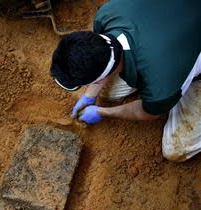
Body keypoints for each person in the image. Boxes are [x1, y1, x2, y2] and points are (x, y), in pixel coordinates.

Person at [50, 0, 201, 162]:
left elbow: (147, 113)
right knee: (109, 93)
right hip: (175, 20)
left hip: (177, 62)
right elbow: (108, 55)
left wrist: (103, 112)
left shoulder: (159, 89)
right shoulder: (105, 15)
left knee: (174, 149)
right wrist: (89, 95)